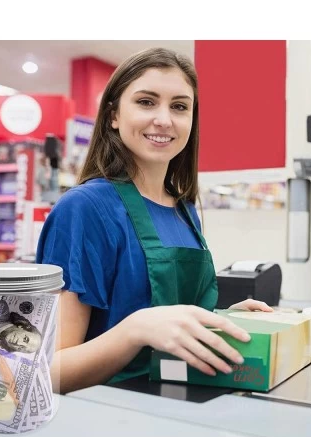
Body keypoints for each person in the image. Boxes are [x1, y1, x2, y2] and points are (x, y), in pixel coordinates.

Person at [36, 47, 273, 394]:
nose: (164, 119)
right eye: (146, 102)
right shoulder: (85, 209)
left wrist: (222, 320)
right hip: (110, 418)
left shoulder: (185, 209)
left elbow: (170, 320)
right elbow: (47, 373)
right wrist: (135, 330)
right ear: (113, 115)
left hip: (181, 406)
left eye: (179, 106)